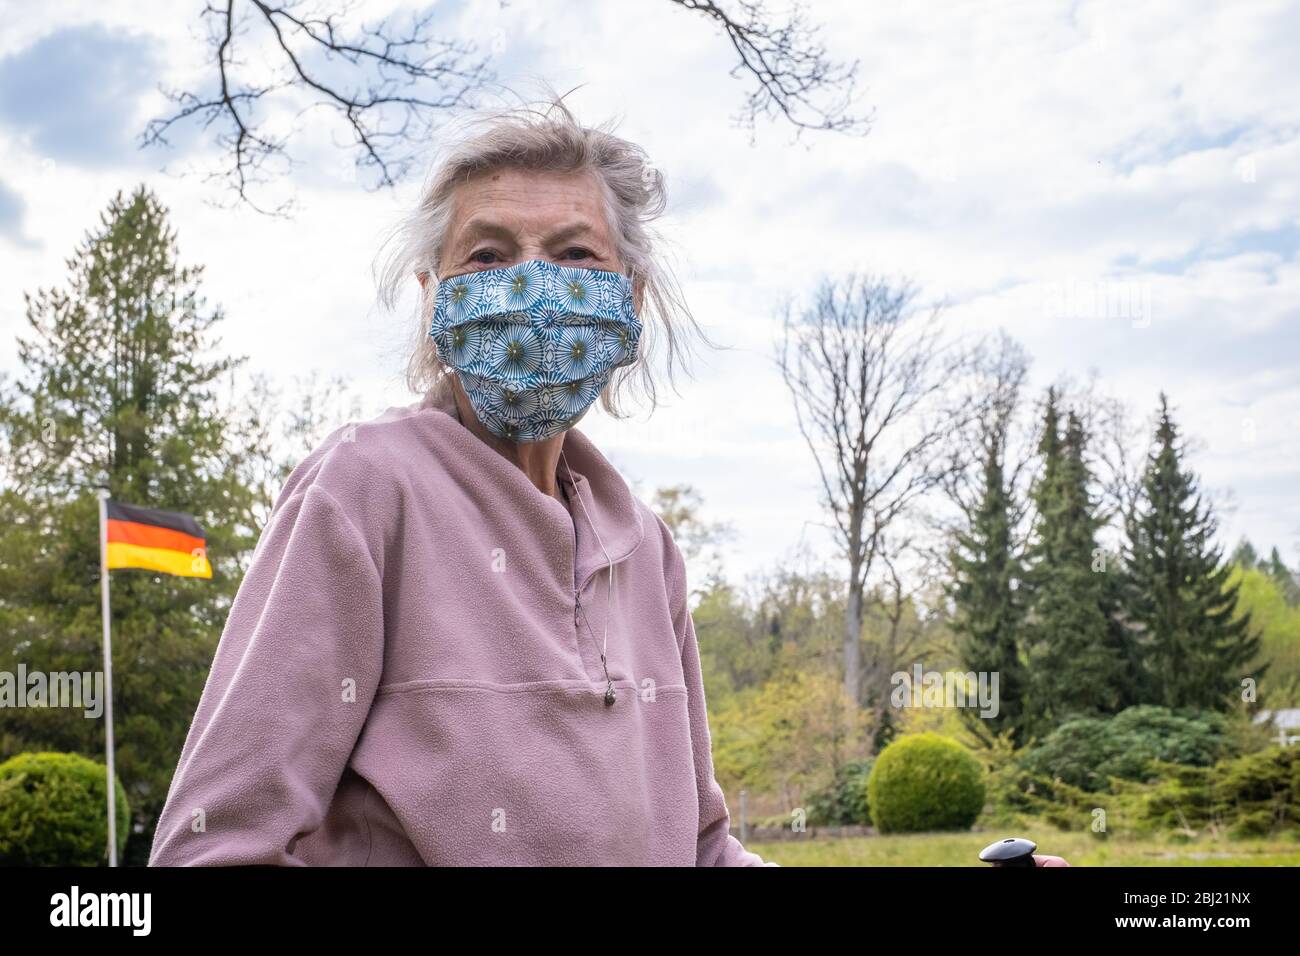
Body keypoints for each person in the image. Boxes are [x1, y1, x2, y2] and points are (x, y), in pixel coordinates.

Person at [149, 98, 773, 866]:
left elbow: (701, 847)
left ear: (631, 298)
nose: (533, 286)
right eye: (487, 256)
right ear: (435, 298)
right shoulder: (363, 489)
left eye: (576, 254)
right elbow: (214, 847)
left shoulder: (647, 548)